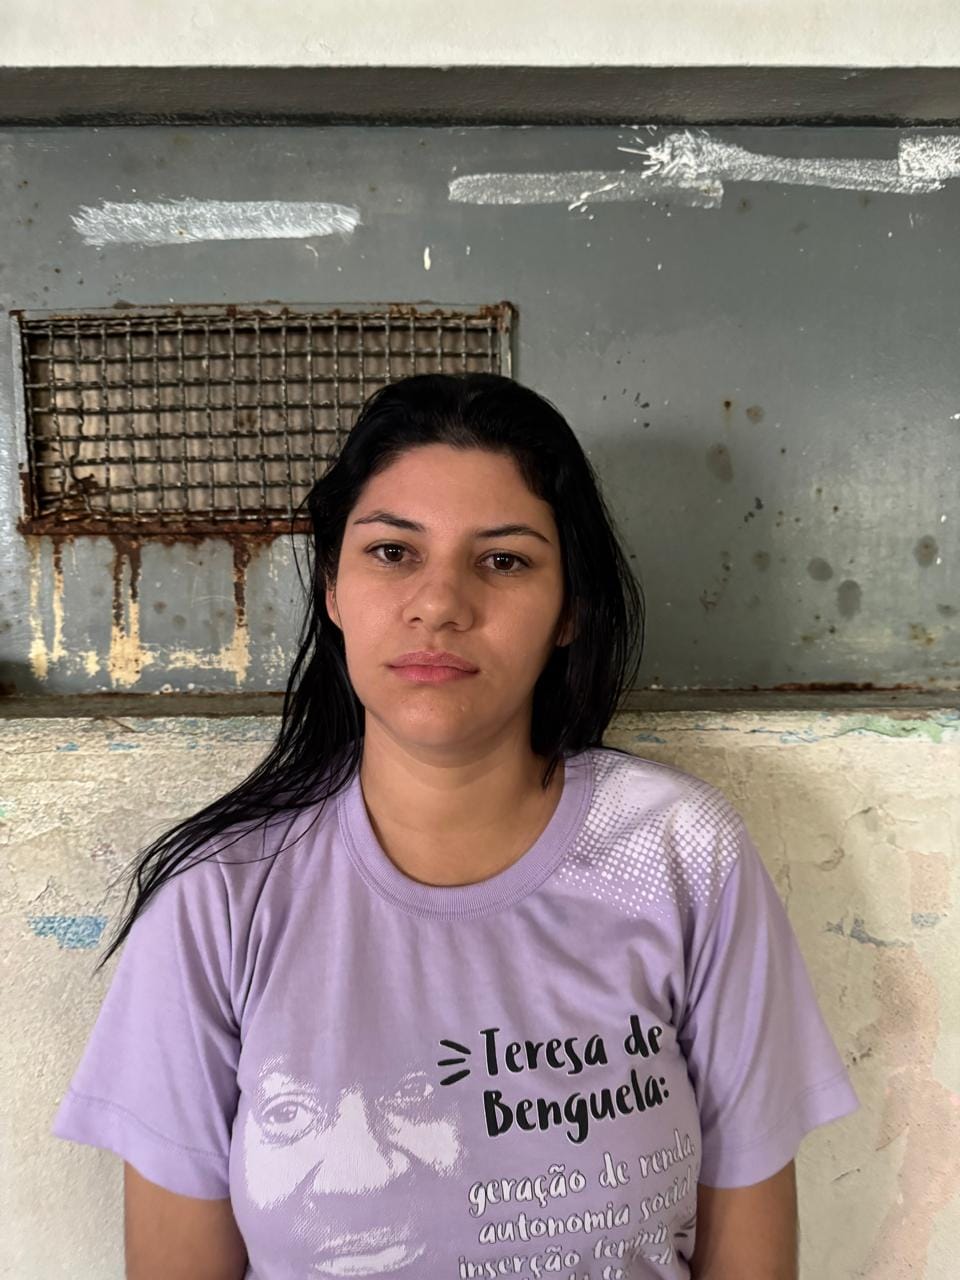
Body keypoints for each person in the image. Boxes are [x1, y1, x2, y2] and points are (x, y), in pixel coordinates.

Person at [51, 371, 859, 1279]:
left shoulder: (682, 855)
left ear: (570, 609)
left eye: (504, 561)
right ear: (332, 587)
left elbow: (750, 1252)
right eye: (393, 551)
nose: (440, 603)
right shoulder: (218, 901)